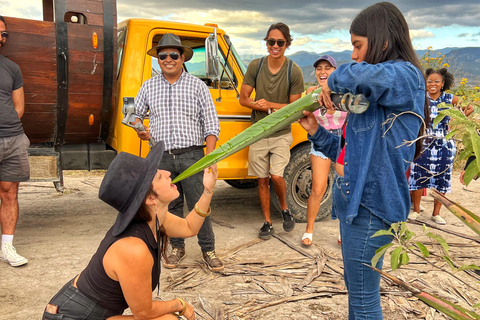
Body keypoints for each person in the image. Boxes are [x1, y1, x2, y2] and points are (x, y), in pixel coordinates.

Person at [298, 2, 426, 319]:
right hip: (356, 204)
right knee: (360, 298)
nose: (353, 54)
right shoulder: (370, 100)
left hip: (372, 207)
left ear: (383, 41)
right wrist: (314, 130)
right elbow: (343, 153)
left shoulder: (405, 76)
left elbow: (367, 76)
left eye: (357, 45)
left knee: (365, 301)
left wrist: (332, 79)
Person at [42, 142, 217, 320]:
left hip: (93, 311)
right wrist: (180, 304)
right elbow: (143, 312)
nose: (167, 173)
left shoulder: (153, 219)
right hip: (73, 315)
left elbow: (189, 227)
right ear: (149, 198)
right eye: (158, 176)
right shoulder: (133, 248)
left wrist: (208, 191)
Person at [133, 33, 223, 271]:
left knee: (199, 204)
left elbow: (212, 125)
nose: (168, 59)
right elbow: (135, 116)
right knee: (168, 205)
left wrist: (210, 160)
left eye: (174, 55)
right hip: (161, 156)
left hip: (193, 155)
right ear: (158, 59)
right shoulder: (148, 86)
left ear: (183, 58)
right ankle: (177, 247)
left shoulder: (198, 86)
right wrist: (140, 130)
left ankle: (208, 249)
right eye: (163, 56)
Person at [239, 22, 304, 240]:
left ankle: (284, 208)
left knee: (277, 176)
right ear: (266, 43)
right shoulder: (255, 66)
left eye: (280, 42)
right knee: (262, 179)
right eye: (271, 41)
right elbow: (243, 98)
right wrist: (257, 105)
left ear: (287, 44)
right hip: (258, 132)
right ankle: (267, 222)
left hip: (281, 133)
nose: (275, 46)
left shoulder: (293, 70)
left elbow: (296, 108)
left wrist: (270, 105)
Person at [408, 68, 473, 224]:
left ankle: (436, 213)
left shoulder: (450, 99)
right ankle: (416, 210)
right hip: (423, 142)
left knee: (442, 178)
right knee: (418, 175)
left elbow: (470, 108)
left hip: (444, 144)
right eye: (429, 81)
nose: (432, 84)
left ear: (443, 83)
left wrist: (456, 120)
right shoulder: (421, 98)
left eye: (437, 81)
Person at [301, 55, 347, 246]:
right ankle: (309, 230)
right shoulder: (311, 94)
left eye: (328, 68)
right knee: (318, 188)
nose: (322, 72)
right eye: (319, 68)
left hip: (343, 142)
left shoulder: (344, 94)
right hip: (321, 140)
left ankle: (343, 232)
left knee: (343, 188)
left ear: (335, 72)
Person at [0, 14, 30, 267]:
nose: (1, 38)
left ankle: (7, 247)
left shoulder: (11, 67)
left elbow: (19, 106)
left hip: (13, 138)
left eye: (4, 34)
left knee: (10, 193)